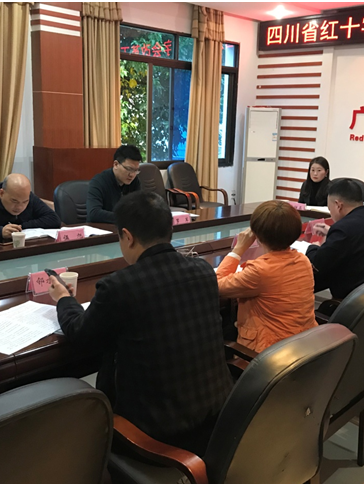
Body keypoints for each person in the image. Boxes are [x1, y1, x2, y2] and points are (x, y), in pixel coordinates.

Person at [48, 191, 233, 456]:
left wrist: (64, 300)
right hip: (217, 418)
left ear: (128, 236)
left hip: (155, 435)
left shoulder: (120, 285)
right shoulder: (203, 271)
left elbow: (80, 334)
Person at [217, 200, 318, 352]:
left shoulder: (260, 271)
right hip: (303, 346)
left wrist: (238, 249)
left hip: (268, 353)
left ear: (256, 235)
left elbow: (216, 285)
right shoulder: (303, 260)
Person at [307, 178, 364, 299]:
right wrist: (331, 232)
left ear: (338, 205)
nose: (331, 213)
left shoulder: (343, 229)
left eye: (330, 209)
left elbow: (318, 264)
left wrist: (313, 247)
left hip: (357, 301)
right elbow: (358, 237)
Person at [85, 145, 142, 224]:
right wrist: (126, 218)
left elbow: (139, 208)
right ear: (116, 164)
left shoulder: (134, 181)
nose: (132, 175)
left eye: (136, 170)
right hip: (101, 228)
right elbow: (93, 213)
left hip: (123, 227)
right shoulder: (99, 181)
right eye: (129, 169)